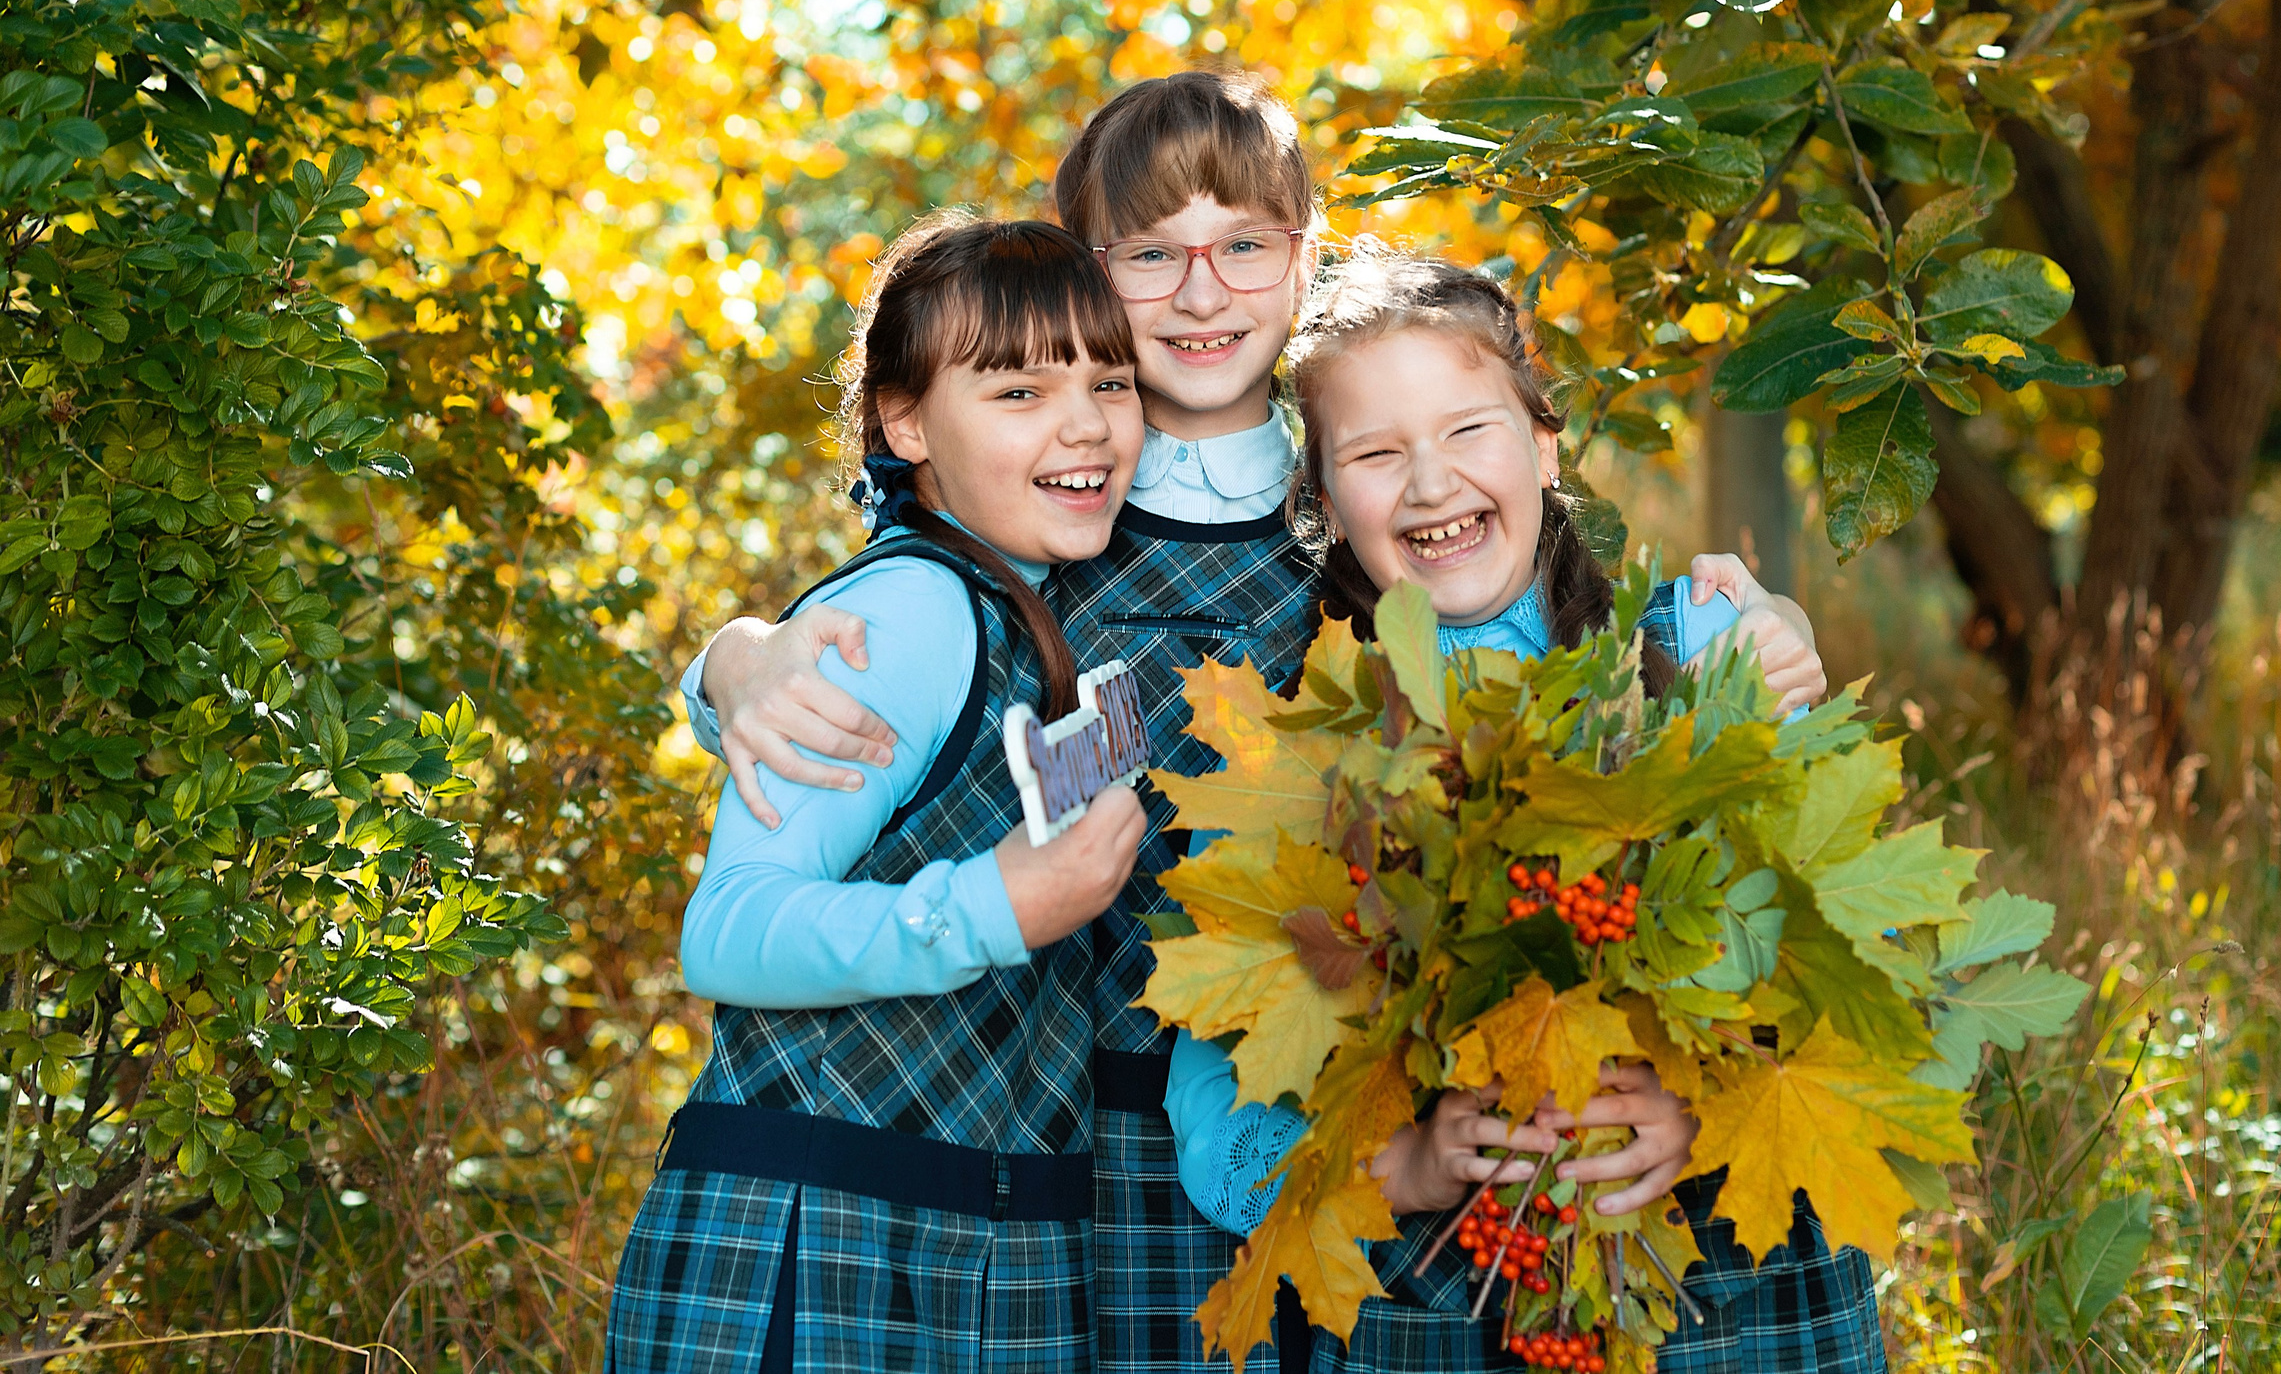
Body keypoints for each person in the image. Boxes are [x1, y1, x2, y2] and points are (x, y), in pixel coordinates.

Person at [677, 75, 1829, 1372]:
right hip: (1103, 1147)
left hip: (1363, 1113)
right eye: (1151, 255)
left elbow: (1568, 635)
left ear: (1305, 257)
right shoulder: (1058, 513)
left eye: (1245, 245)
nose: (1202, 290)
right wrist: (737, 658)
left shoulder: (1361, 477)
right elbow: (886, 638)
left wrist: (1745, 620)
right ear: (1087, 275)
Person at [1162, 250, 1886, 1374]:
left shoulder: (1695, 659)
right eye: (1375, 452)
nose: (1429, 483)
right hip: (1429, 1295)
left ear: (1543, 444)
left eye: (1466, 430)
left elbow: (1853, 964)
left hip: (1725, 1276)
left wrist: (1702, 1109)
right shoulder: (1288, 749)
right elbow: (1215, 1104)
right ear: (1318, 501)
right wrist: (1403, 1165)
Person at [605, 213, 1150, 1373]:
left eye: (1111, 380)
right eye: (1018, 393)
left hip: (977, 1249)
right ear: (906, 422)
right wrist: (989, 908)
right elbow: (729, 929)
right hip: (816, 1255)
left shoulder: (1035, 605)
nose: (1088, 423)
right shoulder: (911, 611)